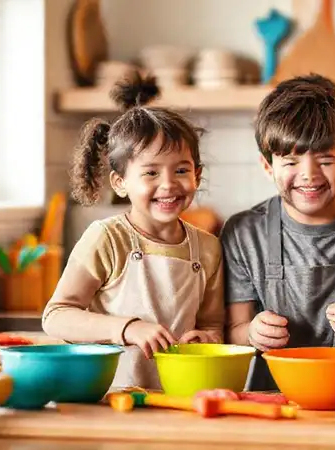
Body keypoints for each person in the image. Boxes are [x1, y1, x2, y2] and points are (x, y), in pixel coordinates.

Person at [42, 72, 224, 391]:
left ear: (197, 174)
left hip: (179, 399)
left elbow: (212, 324)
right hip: (112, 397)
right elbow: (56, 316)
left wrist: (207, 337)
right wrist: (127, 328)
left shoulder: (208, 248)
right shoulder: (107, 239)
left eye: (181, 170)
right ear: (120, 183)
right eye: (151, 172)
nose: (168, 184)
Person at [221, 74, 335, 391]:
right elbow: (232, 329)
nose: (308, 175)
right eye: (290, 160)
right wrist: (253, 333)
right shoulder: (244, 232)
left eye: (325, 159)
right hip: (273, 396)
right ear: (267, 165)